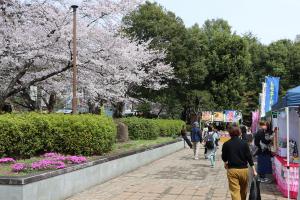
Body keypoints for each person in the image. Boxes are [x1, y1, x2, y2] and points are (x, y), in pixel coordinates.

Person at [222, 126, 257, 200]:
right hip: (244, 170)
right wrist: (254, 170)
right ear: (239, 133)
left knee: (235, 192)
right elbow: (249, 158)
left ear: (230, 133)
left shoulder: (226, 144)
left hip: (232, 170)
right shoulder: (244, 143)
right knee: (243, 191)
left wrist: (225, 162)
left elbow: (224, 157)